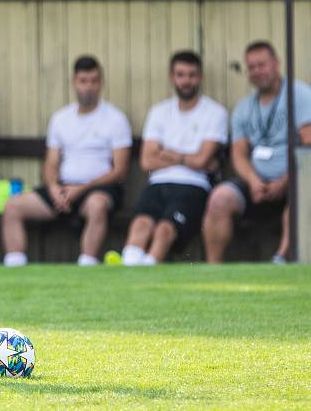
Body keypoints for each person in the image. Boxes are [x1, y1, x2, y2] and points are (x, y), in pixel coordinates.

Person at [1, 56, 132, 267]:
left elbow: (120, 171)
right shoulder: (61, 118)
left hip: (99, 187)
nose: (88, 87)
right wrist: (53, 188)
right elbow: (51, 162)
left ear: (101, 83)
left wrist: (81, 188)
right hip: (63, 188)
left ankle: (87, 265)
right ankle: (15, 266)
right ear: (74, 82)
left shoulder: (116, 119)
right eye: (83, 81)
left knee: (97, 206)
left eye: (94, 81)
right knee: (12, 206)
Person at [202, 41, 311, 263]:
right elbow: (239, 153)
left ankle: (281, 258)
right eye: (251, 67)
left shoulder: (299, 94)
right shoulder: (244, 107)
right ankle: (213, 268)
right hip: (257, 184)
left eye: (262, 65)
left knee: (302, 193)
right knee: (219, 198)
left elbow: (308, 144)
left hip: (294, 177)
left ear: (276, 63)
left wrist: (286, 179)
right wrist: (253, 180)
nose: (257, 71)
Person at [122, 51, 228, 265]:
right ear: (172, 77)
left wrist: (168, 153)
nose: (186, 80)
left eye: (192, 75)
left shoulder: (215, 112)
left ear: (200, 78)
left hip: (194, 185)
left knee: (164, 230)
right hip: (157, 183)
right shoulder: (159, 111)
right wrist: (190, 158)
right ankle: (128, 270)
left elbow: (202, 161)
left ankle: (148, 275)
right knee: (141, 224)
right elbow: (147, 161)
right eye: (181, 74)